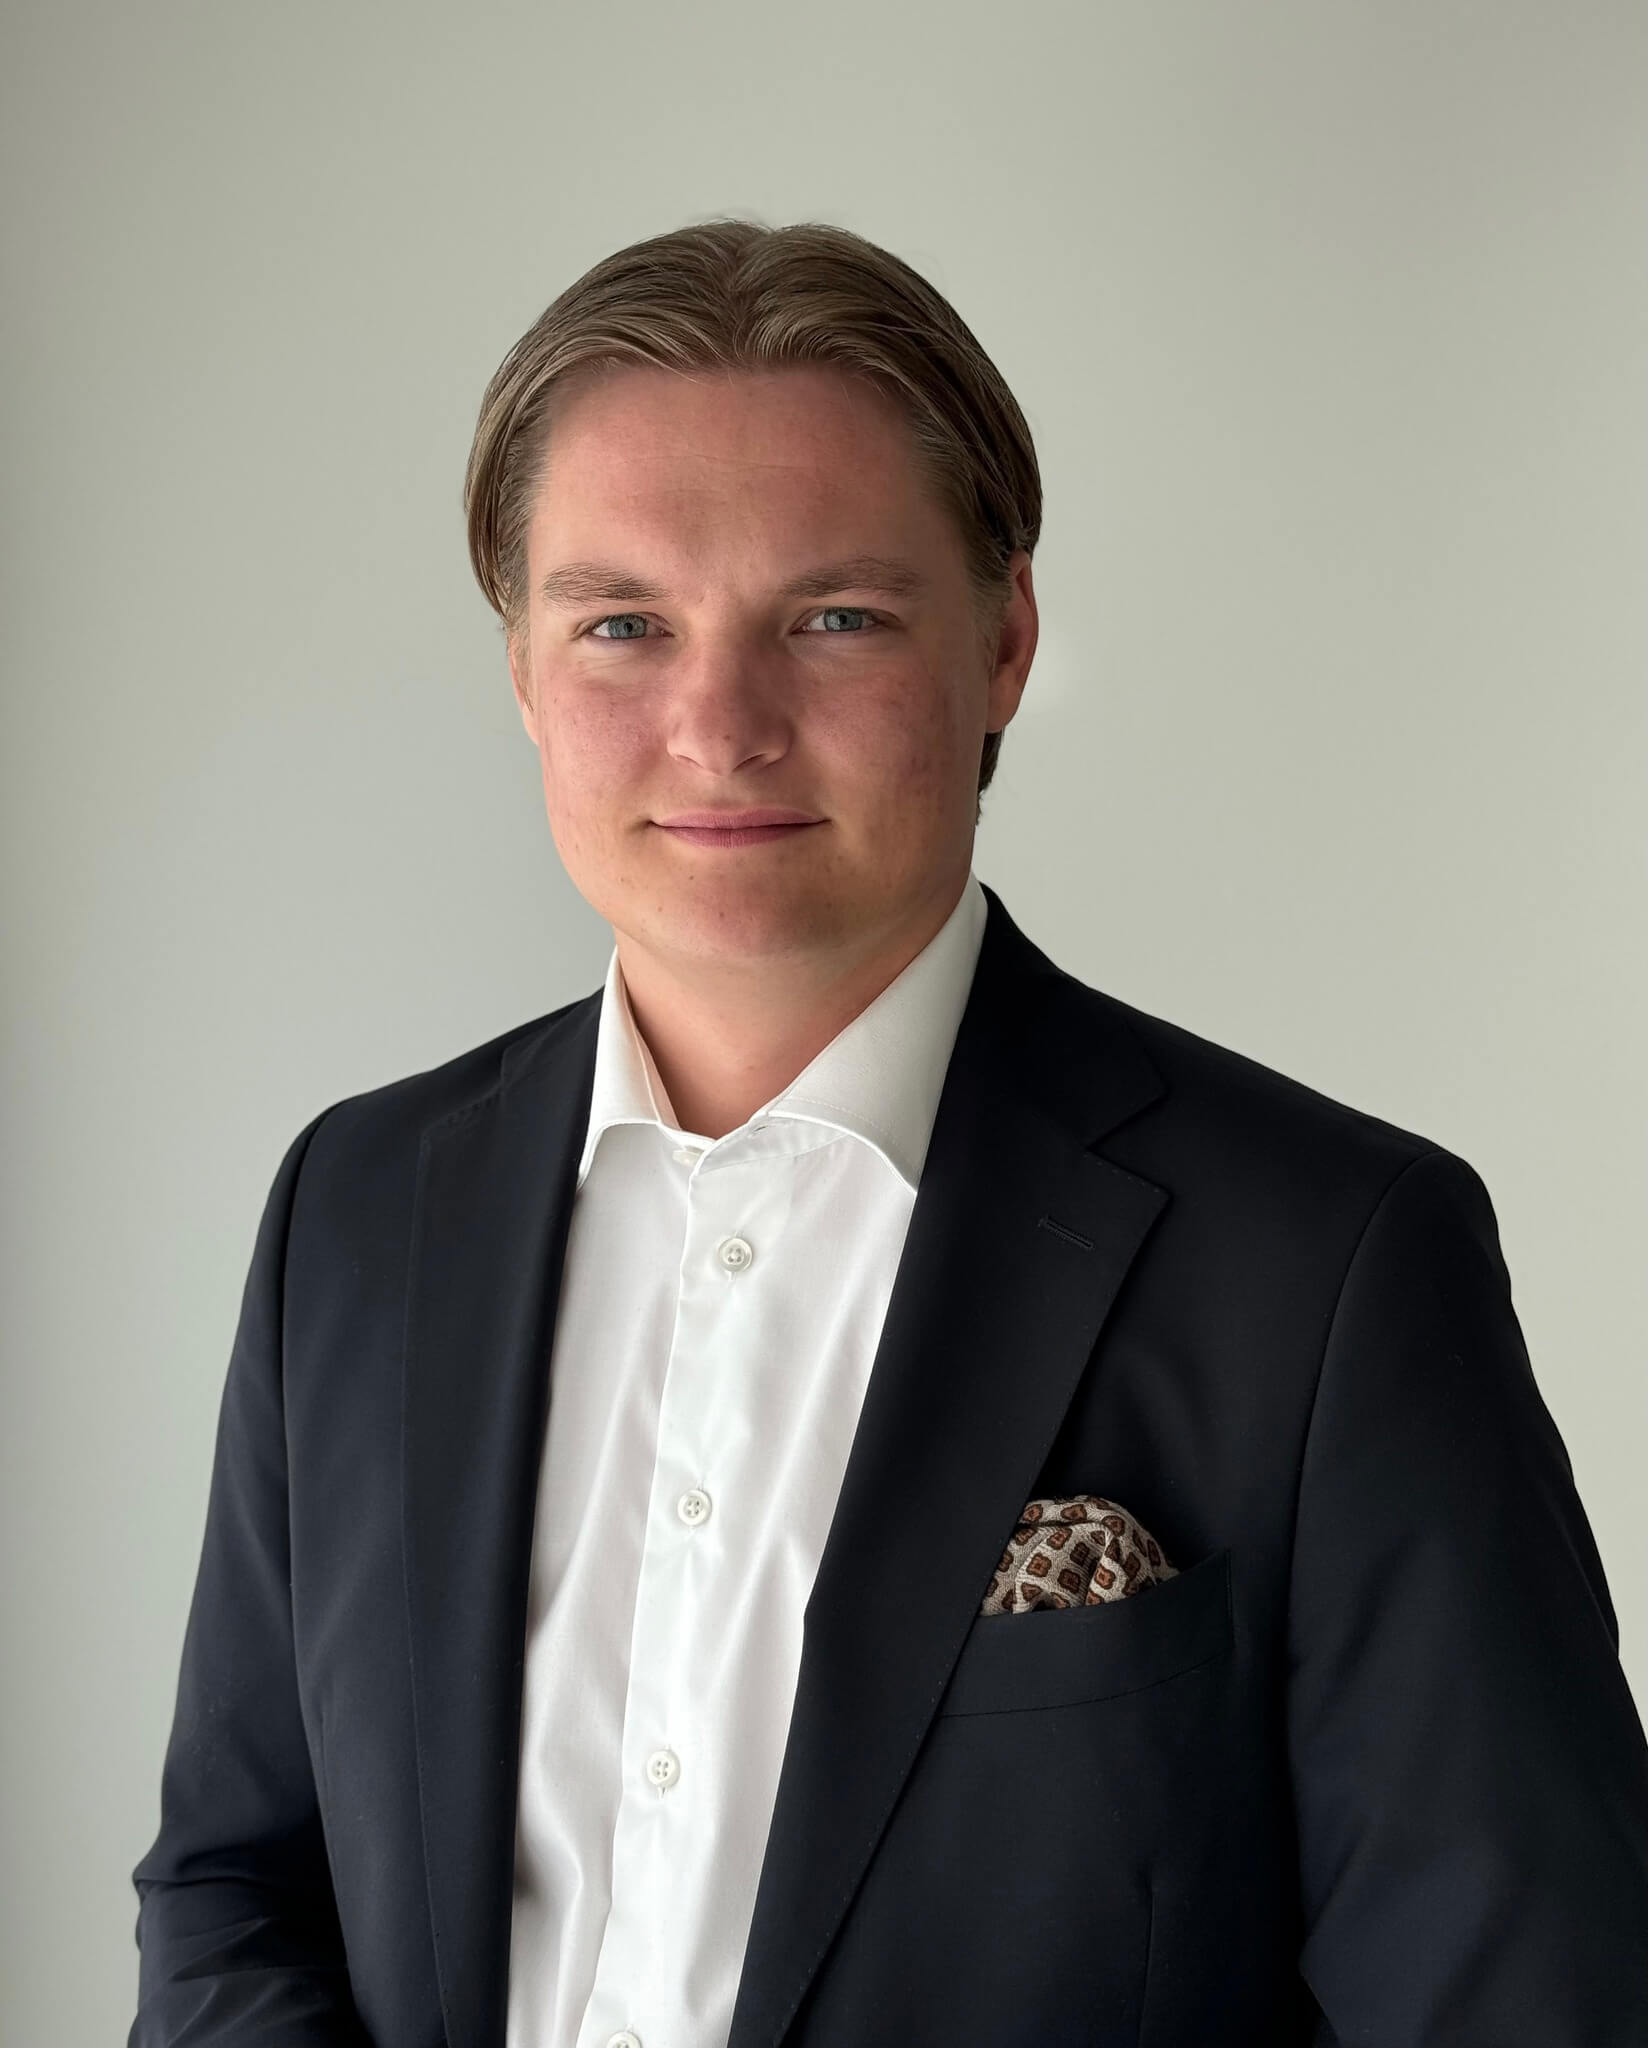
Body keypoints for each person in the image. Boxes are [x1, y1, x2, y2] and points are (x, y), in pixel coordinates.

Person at [128, 218, 1648, 2048]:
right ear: (522, 670)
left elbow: (1520, 2000)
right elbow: (234, 1890)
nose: (720, 729)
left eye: (833, 618)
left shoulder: (1332, 1264)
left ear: (1004, 644)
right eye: (622, 625)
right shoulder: (357, 1211)